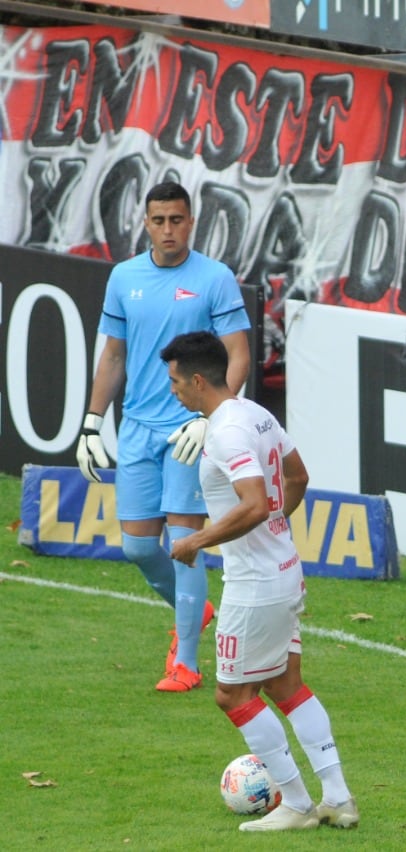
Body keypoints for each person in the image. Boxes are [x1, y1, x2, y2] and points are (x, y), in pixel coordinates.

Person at [162, 331, 358, 832]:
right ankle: (337, 798)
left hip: (253, 586)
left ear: (198, 380)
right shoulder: (257, 415)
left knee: (233, 695)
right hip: (284, 570)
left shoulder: (226, 432)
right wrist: (276, 525)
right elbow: (298, 478)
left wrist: (196, 541)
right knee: (285, 684)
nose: (174, 392)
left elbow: (253, 502)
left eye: (176, 382)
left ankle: (293, 803)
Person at [76, 180, 251, 692]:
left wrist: (210, 417)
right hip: (136, 428)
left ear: (191, 221)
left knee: (183, 541)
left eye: (177, 220)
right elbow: (113, 356)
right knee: (136, 547)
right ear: (146, 222)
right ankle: (193, 611)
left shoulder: (215, 278)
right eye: (159, 221)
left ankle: (188, 665)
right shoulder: (124, 278)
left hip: (188, 431)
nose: (168, 229)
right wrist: (91, 421)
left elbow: (237, 353)